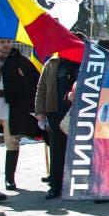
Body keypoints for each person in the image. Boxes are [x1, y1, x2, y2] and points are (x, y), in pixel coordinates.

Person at [35, 53, 80, 200]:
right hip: (55, 111)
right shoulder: (52, 63)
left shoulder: (81, 62)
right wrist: (39, 111)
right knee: (56, 150)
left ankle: (77, 185)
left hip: (77, 112)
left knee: (78, 150)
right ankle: (56, 186)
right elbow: (42, 88)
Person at [0, 39, 40, 191]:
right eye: (2, 42)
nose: (6, 45)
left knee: (12, 142)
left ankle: (9, 178)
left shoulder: (19, 60)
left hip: (12, 106)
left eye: (8, 42)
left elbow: (34, 80)